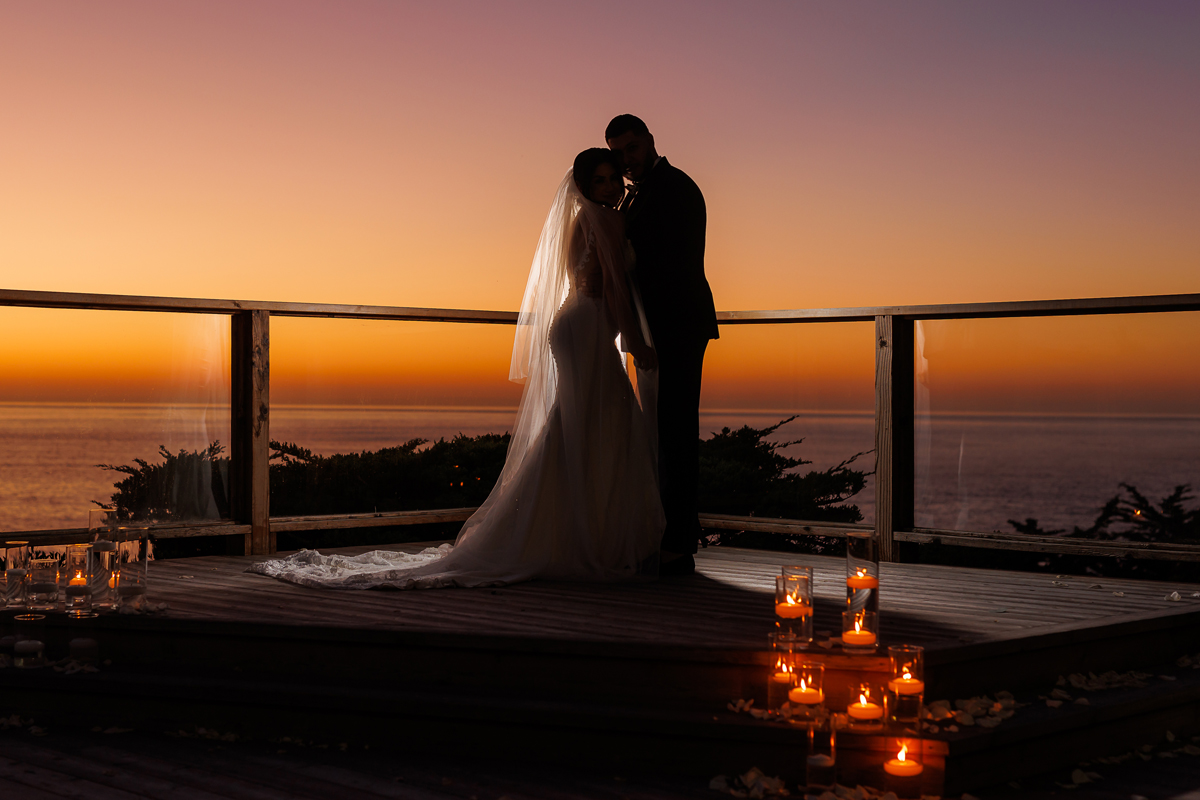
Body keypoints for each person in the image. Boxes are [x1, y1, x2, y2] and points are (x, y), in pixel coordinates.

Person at [250, 149, 664, 589]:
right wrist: (635, 343)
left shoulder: (582, 220)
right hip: (589, 328)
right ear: (585, 187)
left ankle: (566, 533)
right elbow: (616, 290)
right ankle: (588, 537)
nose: (610, 188)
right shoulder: (606, 218)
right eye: (599, 181)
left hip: (573, 322)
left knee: (577, 427)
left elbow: (586, 280)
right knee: (599, 425)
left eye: (612, 179)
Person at [606, 115, 719, 577]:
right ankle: (665, 535)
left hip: (677, 326)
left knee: (675, 433)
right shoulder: (638, 193)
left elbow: (669, 265)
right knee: (663, 432)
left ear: (650, 141)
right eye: (618, 153)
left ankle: (678, 544)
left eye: (632, 148)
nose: (627, 160)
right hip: (656, 329)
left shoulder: (674, 187)